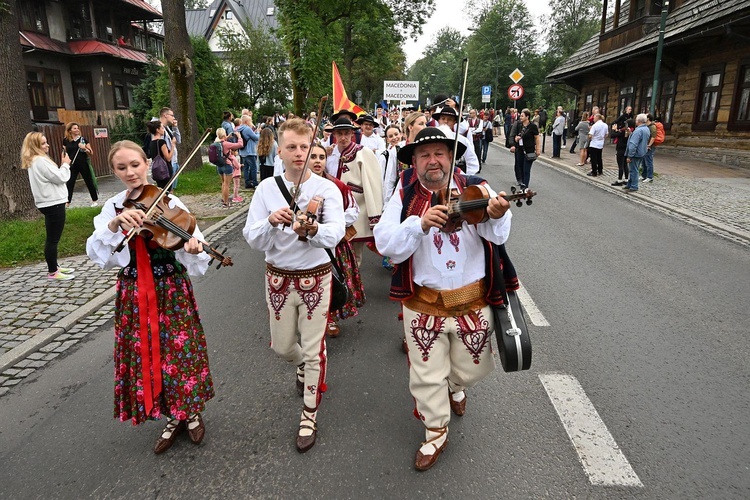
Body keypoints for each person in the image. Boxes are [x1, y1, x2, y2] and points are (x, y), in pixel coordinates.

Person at [373, 127, 511, 471]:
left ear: (450, 158)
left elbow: (498, 233)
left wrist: (498, 213)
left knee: (472, 367)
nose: (433, 161)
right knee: (426, 374)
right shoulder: (404, 193)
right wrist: (418, 225)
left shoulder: (475, 187)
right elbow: (385, 242)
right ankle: (435, 430)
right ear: (415, 162)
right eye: (424, 155)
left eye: (439, 154)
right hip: (422, 303)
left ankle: (457, 384)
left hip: (472, 301)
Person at [86, 140, 214, 454]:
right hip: (133, 294)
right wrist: (114, 225)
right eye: (121, 167)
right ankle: (172, 415)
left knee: (178, 352)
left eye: (135, 165)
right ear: (114, 171)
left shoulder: (168, 200)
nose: (130, 172)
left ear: (147, 163)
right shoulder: (112, 208)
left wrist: (193, 249)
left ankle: (190, 411)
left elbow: (192, 242)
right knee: (148, 354)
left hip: (170, 289)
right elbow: (98, 254)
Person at [244, 118, 345, 453]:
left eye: (304, 147)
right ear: (280, 151)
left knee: (315, 349)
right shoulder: (266, 189)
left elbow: (336, 233)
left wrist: (314, 231)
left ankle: (309, 414)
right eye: (292, 147)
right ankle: (300, 364)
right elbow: (252, 237)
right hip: (277, 277)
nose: (299, 153)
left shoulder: (326, 189)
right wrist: (271, 222)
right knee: (283, 347)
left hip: (316, 275)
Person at [308, 144, 365, 337]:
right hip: (304, 245)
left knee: (331, 281)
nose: (317, 161)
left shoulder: (336, 185)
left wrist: (333, 222)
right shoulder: (296, 186)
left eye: (321, 157)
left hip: (333, 245)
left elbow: (353, 210)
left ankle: (329, 317)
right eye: (313, 156)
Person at [325, 113, 384, 267]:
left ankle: (353, 288)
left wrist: (374, 216)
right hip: (332, 208)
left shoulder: (363, 152)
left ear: (352, 134)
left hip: (356, 209)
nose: (343, 137)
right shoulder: (329, 154)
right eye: (340, 133)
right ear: (334, 135)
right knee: (331, 252)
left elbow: (373, 184)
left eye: (347, 133)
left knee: (354, 255)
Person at [22, 132, 75, 281]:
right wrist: (65, 164)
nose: (47, 145)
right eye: (43, 143)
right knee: (53, 239)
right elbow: (61, 177)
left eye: (46, 142)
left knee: (52, 238)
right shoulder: (40, 161)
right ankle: (52, 271)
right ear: (35, 146)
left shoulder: (35, 160)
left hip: (48, 203)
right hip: (53, 204)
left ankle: (55, 266)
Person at [431, 105, 480, 175]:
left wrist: (465, 180)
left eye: (450, 119)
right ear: (438, 120)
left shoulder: (462, 140)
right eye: (443, 118)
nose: (446, 121)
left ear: (454, 122)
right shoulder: (431, 139)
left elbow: (472, 162)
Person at [63, 122, 98, 207]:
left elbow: (91, 153)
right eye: (74, 128)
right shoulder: (66, 140)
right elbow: (64, 153)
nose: (77, 129)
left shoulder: (83, 140)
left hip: (83, 163)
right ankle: (67, 202)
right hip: (72, 164)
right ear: (70, 130)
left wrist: (84, 148)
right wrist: (64, 163)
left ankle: (94, 200)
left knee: (88, 181)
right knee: (70, 183)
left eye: (77, 128)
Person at [214, 128, 243, 208]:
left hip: (219, 165)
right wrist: (239, 137)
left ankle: (223, 198)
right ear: (224, 134)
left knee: (223, 183)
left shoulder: (216, 143)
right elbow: (239, 145)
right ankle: (226, 202)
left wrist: (228, 136)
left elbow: (222, 139)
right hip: (227, 165)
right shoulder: (226, 144)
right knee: (227, 185)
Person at [513, 108, 540, 188]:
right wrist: (516, 138)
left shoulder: (532, 126)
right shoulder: (519, 125)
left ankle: (525, 187)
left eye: (522, 116)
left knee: (526, 170)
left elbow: (537, 138)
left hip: (529, 150)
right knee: (520, 168)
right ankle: (522, 183)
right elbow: (516, 135)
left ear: (527, 117)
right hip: (520, 149)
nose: (520, 117)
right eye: (520, 116)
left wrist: (537, 149)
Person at [624, 114, 651, 192]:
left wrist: (629, 155)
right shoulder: (646, 129)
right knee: (635, 168)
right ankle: (629, 184)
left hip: (635, 153)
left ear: (638, 121)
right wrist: (631, 133)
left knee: (633, 170)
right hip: (642, 152)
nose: (635, 121)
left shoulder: (638, 130)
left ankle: (634, 186)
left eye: (636, 120)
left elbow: (633, 144)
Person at [146, 120, 174, 189]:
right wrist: (173, 145)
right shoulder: (161, 142)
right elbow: (168, 158)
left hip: (156, 170)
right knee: (167, 190)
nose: (163, 130)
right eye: (162, 128)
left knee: (161, 190)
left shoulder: (152, 142)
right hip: (165, 169)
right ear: (157, 130)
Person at [236, 115, 260, 189]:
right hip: (249, 151)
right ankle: (254, 183)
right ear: (246, 121)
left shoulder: (239, 128)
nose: (251, 122)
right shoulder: (247, 129)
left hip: (243, 151)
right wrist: (258, 132)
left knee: (246, 167)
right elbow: (256, 138)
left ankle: (247, 182)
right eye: (250, 120)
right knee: (253, 167)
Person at [610, 118, 634, 186]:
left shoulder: (624, 131)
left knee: (620, 165)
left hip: (621, 149)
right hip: (626, 149)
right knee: (625, 165)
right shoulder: (631, 131)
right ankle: (626, 179)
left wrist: (614, 130)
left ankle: (619, 180)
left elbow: (613, 135)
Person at [642, 113, 657, 183]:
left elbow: (653, 137)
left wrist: (649, 145)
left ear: (648, 118)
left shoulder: (652, 127)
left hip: (649, 146)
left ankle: (649, 176)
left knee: (648, 161)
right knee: (643, 161)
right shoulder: (646, 126)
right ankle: (644, 175)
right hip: (644, 145)